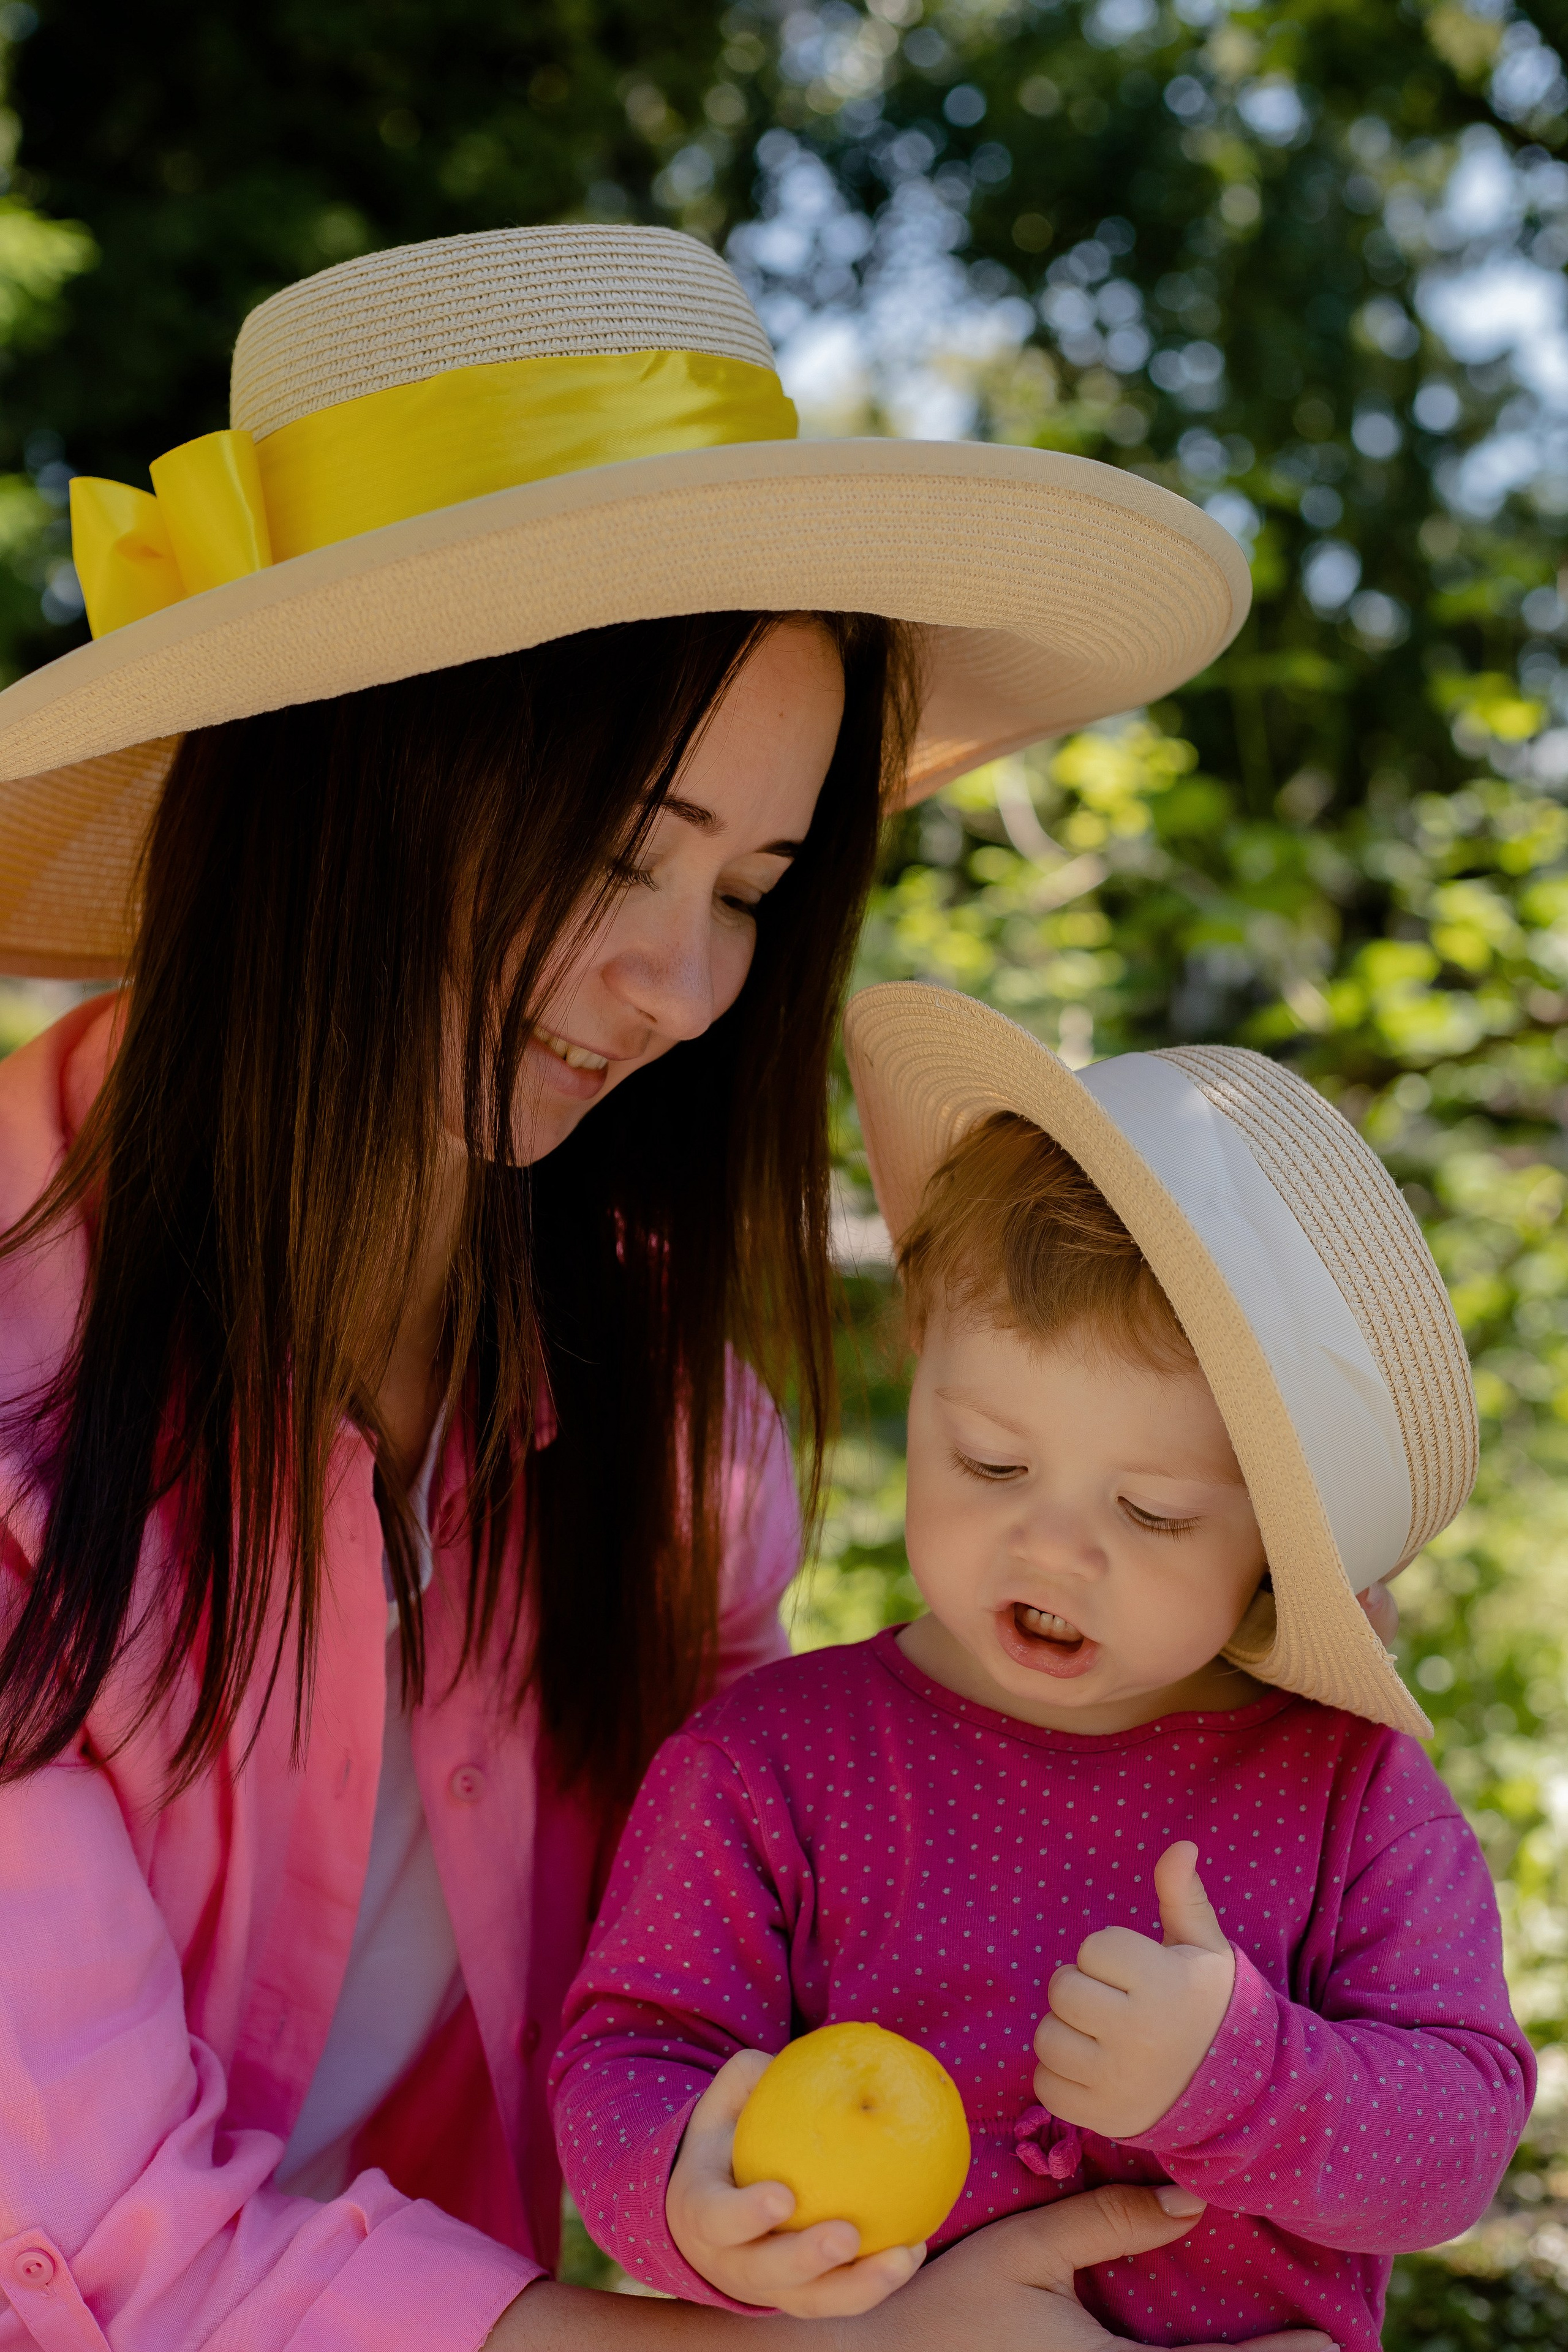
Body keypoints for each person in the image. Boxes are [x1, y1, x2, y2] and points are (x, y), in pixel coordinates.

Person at [0, 222, 1314, 2352]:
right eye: (621, 851)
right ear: (335, 778)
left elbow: (759, 1987)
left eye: (749, 891)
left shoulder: (672, 1431)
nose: (687, 989)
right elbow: (89, 2252)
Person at [551, 984, 1533, 2352]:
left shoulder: (1346, 1793)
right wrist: (684, 2193)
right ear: (921, 1366)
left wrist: (1242, 2075)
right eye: (990, 1463)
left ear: (1276, 1547)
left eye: (1151, 1513)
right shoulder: (769, 1760)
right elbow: (633, 2052)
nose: (1051, 1547)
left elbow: (1456, 2138)